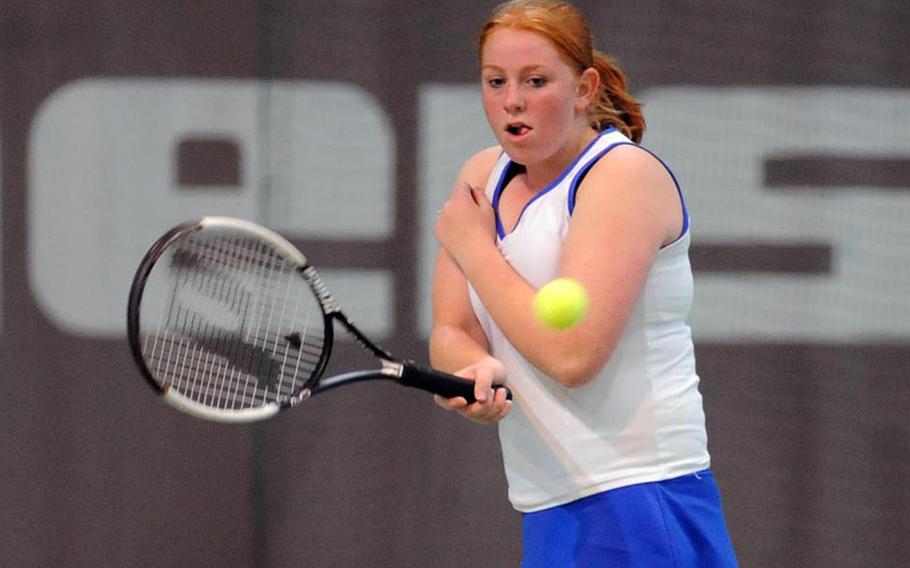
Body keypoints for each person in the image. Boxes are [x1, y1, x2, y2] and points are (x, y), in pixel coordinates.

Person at [429, 1, 739, 566]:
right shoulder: (480, 176)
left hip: (643, 495)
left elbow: (575, 356)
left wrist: (474, 247)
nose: (512, 101)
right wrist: (474, 369)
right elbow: (452, 327)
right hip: (548, 501)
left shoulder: (622, 177)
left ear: (584, 87)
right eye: (495, 81)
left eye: (536, 81)